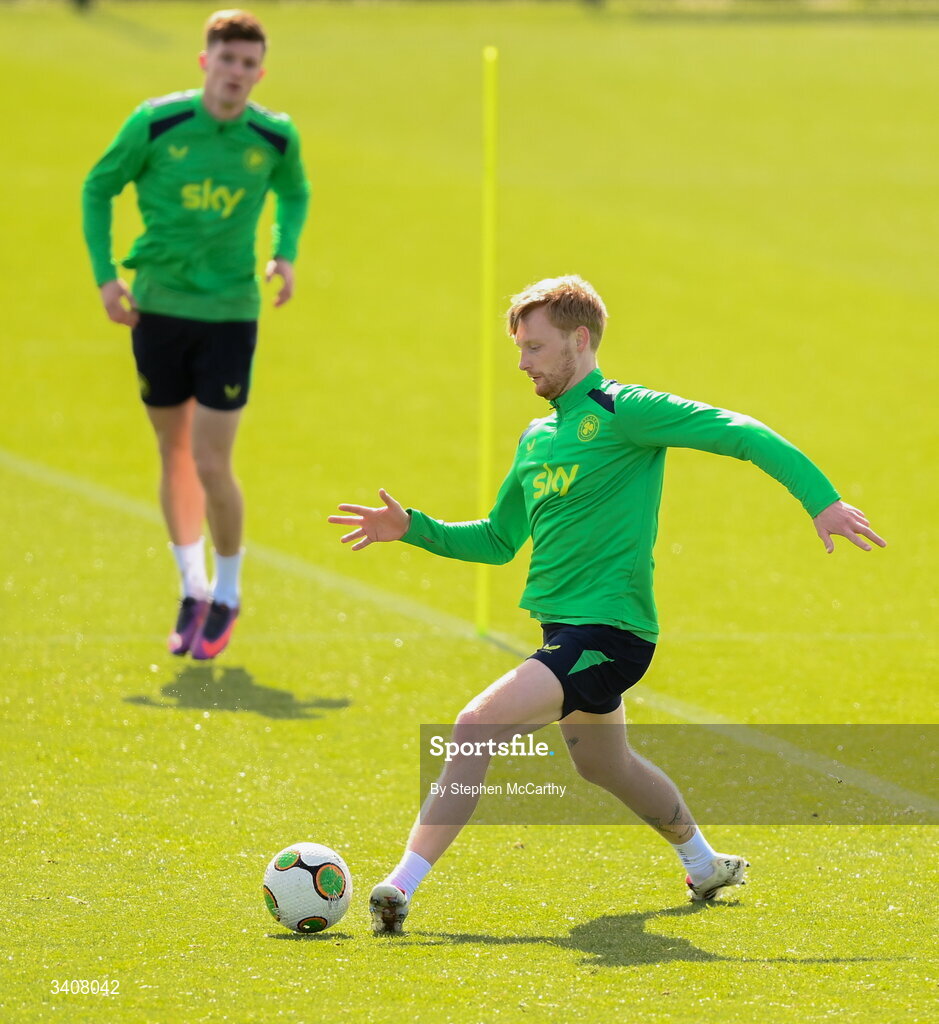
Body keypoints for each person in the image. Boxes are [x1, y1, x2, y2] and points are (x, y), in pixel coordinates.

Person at [329, 275, 886, 934]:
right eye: (518, 348)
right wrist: (413, 528)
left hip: (611, 632)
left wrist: (819, 499)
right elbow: (498, 540)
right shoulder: (536, 440)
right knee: (603, 765)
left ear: (580, 339)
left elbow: (740, 432)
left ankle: (399, 886)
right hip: (568, 629)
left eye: (534, 347)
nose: (522, 362)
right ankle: (703, 863)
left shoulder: (625, 410)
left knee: (474, 725)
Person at [82, 9, 310, 659]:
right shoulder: (156, 122)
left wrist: (284, 251)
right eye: (226, 60)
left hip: (230, 314)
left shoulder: (274, 137)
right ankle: (192, 585)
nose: (236, 74)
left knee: (211, 460)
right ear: (204, 61)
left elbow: (295, 191)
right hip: (157, 308)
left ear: (259, 72)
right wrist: (106, 277)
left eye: (248, 64)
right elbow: (98, 187)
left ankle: (230, 592)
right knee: (172, 451)